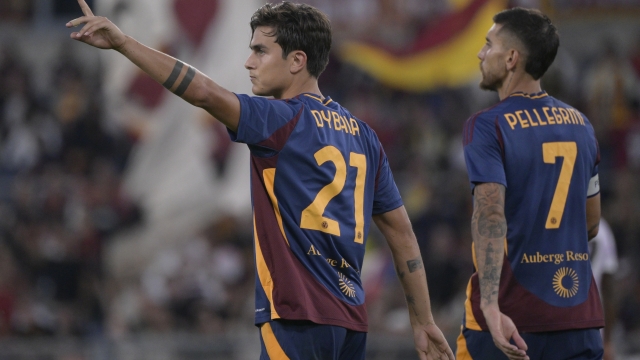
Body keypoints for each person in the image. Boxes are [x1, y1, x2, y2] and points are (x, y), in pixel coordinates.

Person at [66, 1, 454, 359]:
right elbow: (402, 234)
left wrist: (122, 43)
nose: (249, 62)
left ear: (297, 61)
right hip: (350, 323)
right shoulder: (364, 136)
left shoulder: (279, 120)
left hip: (297, 317)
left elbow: (202, 92)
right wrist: (423, 321)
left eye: (260, 51)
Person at [457, 7, 604, 360]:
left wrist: (490, 305)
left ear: (511, 58)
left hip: (510, 322)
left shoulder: (487, 126)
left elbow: (491, 213)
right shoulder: (581, 125)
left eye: (488, 44)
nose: (480, 53)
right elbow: (592, 223)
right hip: (578, 321)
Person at [589, 218, 619, 360]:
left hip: (560, 323)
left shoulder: (552, 222)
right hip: (593, 324)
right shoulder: (602, 229)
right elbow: (608, 291)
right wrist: (607, 341)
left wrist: (607, 341)